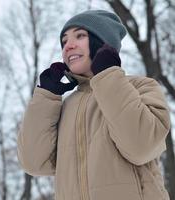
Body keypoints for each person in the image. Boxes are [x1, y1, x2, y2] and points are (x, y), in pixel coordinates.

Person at [17, 10, 171, 200]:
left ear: (102, 43)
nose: (68, 46)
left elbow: (141, 147)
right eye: (64, 41)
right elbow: (34, 163)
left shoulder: (141, 87)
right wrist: (47, 97)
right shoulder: (66, 106)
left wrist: (108, 75)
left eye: (80, 36)